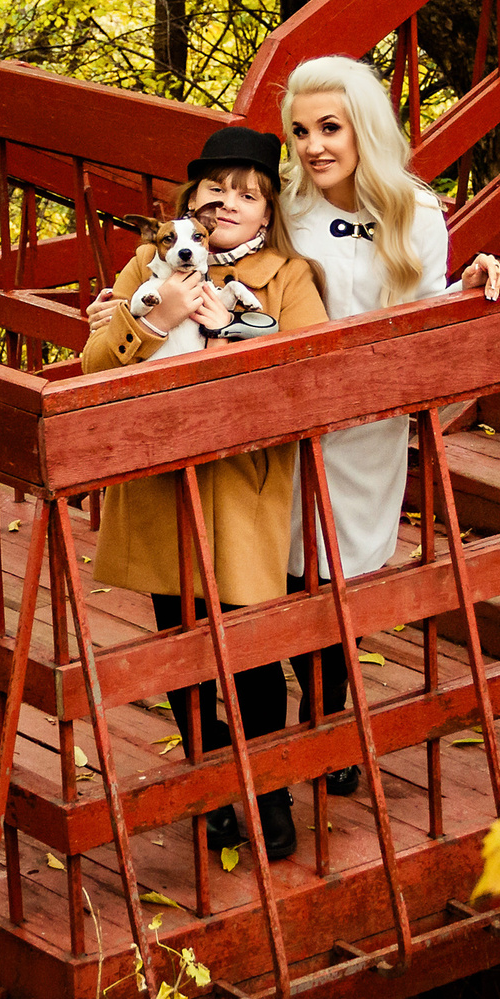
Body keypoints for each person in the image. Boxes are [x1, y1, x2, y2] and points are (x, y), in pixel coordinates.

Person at [84, 126, 328, 860]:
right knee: (180, 647)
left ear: (266, 214)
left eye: (248, 195)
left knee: (249, 648)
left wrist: (232, 331)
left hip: (240, 483)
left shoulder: (287, 276)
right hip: (160, 481)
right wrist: (151, 314)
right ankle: (216, 781)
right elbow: (95, 364)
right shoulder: (147, 263)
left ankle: (270, 789)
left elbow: (309, 369)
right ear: (190, 200)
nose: (229, 202)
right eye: (215, 189)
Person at [279, 55, 500, 794]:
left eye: (330, 128)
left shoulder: (416, 211)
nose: (314, 145)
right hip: (285, 418)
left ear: (363, 129)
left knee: (339, 577)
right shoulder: (284, 207)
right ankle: (313, 729)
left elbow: (424, 312)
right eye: (301, 130)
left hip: (367, 428)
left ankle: (331, 726)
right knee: (287, 576)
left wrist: (467, 288)